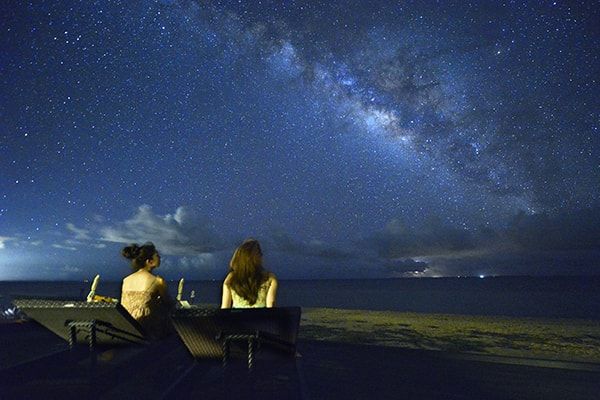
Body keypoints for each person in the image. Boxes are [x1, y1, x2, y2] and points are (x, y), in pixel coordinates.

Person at [121, 242, 173, 339]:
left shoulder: (126, 280)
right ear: (149, 261)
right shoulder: (158, 281)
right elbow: (169, 304)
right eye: (157, 256)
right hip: (147, 330)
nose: (160, 258)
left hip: (128, 328)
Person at [221, 239, 278, 308]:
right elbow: (271, 306)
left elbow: (225, 308)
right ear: (256, 258)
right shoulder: (269, 279)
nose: (262, 256)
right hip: (261, 315)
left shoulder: (231, 278)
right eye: (260, 254)